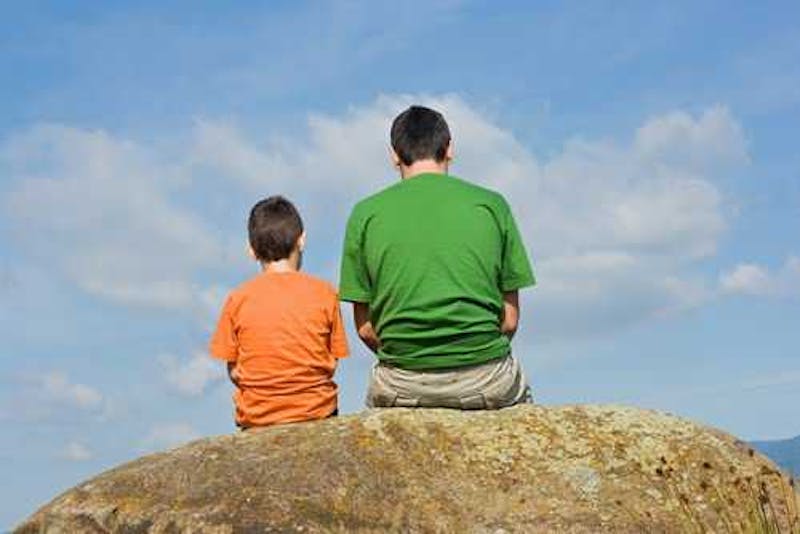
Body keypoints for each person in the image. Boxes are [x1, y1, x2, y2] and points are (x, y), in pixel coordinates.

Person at [339, 105, 536, 409]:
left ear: (394, 155)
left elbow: (365, 328)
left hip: (401, 383)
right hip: (486, 378)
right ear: (450, 149)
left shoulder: (365, 214)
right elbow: (509, 321)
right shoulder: (492, 205)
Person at [210, 196, 349, 429]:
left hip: (258, 417)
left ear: (252, 251)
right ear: (301, 240)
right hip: (316, 411)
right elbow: (332, 363)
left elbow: (234, 371)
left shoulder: (238, 299)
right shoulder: (324, 293)